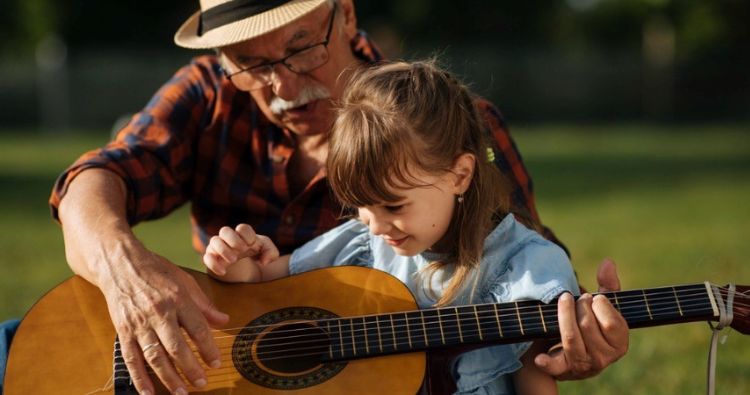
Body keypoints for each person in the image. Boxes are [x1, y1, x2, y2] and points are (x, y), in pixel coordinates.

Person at [37, 1, 626, 394]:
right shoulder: (211, 94)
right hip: (221, 364)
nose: (285, 86)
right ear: (222, 60)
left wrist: (572, 339)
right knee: (26, 352)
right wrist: (124, 269)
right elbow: (96, 176)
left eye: (301, 49)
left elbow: (521, 267)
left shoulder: (446, 125)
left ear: (343, 14)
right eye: (253, 64)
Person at [203, 59, 582, 394]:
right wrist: (235, 260)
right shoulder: (363, 244)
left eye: (393, 204)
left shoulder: (523, 269)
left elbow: (537, 378)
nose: (376, 223)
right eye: (360, 205)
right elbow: (259, 286)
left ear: (460, 174)